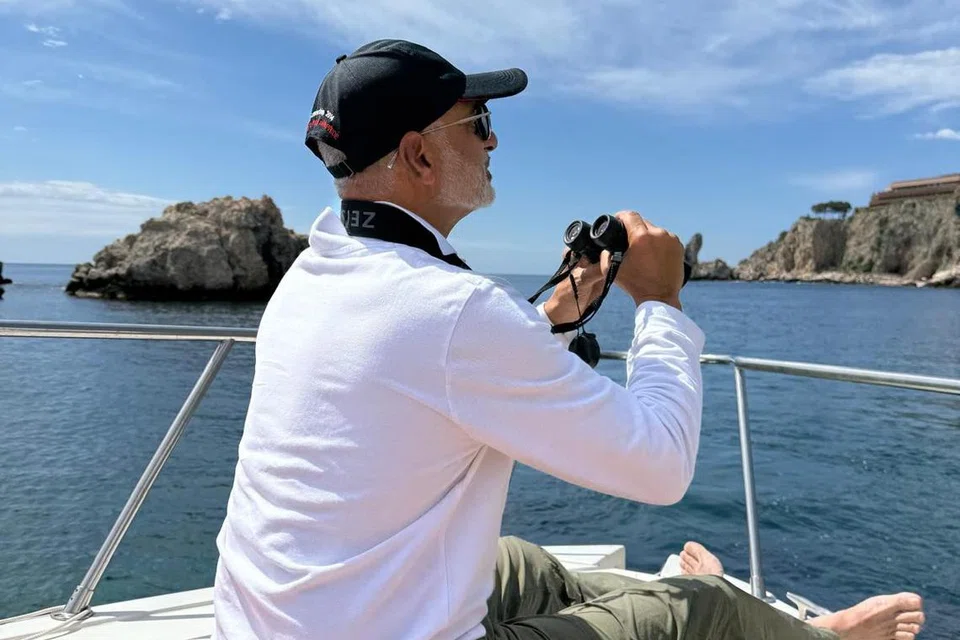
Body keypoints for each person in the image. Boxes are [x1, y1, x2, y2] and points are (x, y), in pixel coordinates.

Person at [211, 39, 924, 640]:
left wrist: (561, 305)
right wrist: (660, 302)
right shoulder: (455, 311)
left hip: (277, 620)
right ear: (419, 155)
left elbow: (442, 365)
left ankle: (746, 622)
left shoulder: (315, 272)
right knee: (703, 612)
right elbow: (661, 467)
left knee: (524, 566)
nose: (494, 140)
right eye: (479, 122)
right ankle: (812, 636)